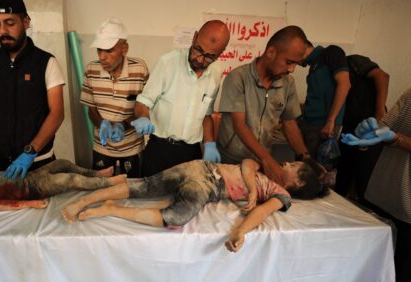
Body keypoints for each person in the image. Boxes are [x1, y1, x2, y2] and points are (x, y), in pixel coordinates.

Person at [341, 35, 411, 282]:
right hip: (384, 199)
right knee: (374, 275)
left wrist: (396, 139)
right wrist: (369, 132)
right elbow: (385, 126)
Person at [62, 158, 328, 251]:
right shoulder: (265, 172)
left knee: (154, 195)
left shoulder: (281, 194)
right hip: (205, 171)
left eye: (293, 167)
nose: (285, 164)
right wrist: (250, 186)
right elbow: (248, 164)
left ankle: (104, 206)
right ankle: (97, 203)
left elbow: (261, 211)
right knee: (149, 192)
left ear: (299, 184)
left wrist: (240, 231)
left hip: (206, 180)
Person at [0, 0, 65, 183]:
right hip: (1, 164)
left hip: (39, 162)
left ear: (26, 22)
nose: (3, 31)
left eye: (10, 23)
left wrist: (30, 151)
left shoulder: (46, 62)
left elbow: (57, 113)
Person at [132, 20, 230, 176]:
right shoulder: (168, 63)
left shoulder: (216, 74)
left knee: (188, 198)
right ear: (194, 37)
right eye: (198, 50)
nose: (200, 59)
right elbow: (143, 103)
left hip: (191, 153)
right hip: (160, 150)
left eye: (209, 57)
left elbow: (206, 115)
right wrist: (143, 117)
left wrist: (210, 143)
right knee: (151, 198)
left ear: (221, 53)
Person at [217, 25, 311, 187]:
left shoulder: (287, 84)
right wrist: (267, 160)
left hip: (260, 163)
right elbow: (239, 124)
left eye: (296, 64)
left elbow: (290, 124)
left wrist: (306, 158)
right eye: (289, 62)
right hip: (231, 160)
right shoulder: (238, 78)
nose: (291, 69)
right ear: (271, 52)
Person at [80, 18, 149, 178]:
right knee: (102, 190)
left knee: (132, 190)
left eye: (109, 50)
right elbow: (91, 110)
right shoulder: (92, 69)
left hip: (132, 148)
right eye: (99, 50)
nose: (102, 57)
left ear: (124, 48)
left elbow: (145, 107)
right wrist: (102, 123)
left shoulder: (139, 68)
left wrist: (123, 125)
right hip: (101, 148)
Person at [334, 55, 389, 206]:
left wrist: (379, 111)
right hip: (350, 128)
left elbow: (383, 76)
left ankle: (368, 217)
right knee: (343, 175)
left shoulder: (352, 61)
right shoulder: (326, 74)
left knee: (364, 178)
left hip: (370, 127)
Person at [298, 40, 351, 161]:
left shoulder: (331, 52)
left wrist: (331, 121)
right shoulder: (314, 66)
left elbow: (344, 84)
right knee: (303, 169)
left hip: (323, 127)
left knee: (317, 173)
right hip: (310, 125)